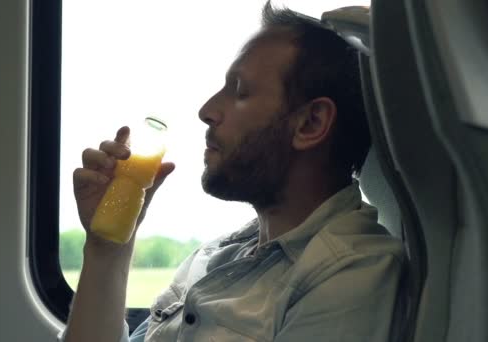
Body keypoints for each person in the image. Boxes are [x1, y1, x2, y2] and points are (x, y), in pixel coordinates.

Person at [62, 2, 404, 341]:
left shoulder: (347, 275)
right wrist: (106, 247)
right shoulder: (217, 256)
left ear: (310, 123)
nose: (206, 110)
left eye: (239, 91)